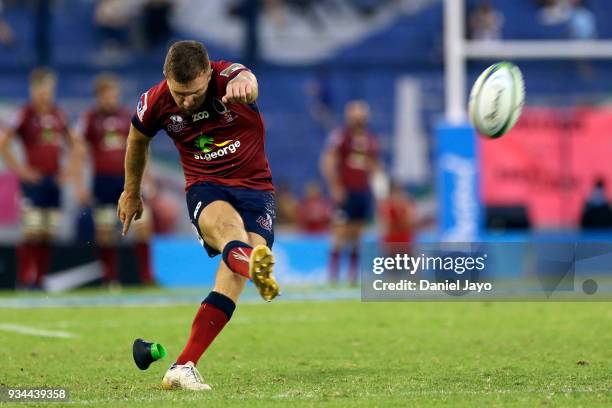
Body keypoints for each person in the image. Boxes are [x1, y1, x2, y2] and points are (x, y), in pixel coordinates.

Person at [117, 40, 280, 390]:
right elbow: (136, 140)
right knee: (228, 231)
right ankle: (252, 263)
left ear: (208, 73)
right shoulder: (154, 101)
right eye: (179, 93)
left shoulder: (229, 77)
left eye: (193, 92)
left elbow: (249, 79)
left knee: (233, 277)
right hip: (206, 185)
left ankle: (181, 366)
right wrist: (132, 191)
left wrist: (245, 85)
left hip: (256, 189)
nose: (186, 102)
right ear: (166, 77)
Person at [0, 68, 85, 288]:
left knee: (47, 232)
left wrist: (70, 171)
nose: (44, 94)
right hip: (33, 183)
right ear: (33, 90)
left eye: (48, 90)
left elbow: (76, 144)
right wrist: (21, 170)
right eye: (40, 89)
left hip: (52, 181)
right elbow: (4, 143)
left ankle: (40, 279)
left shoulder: (58, 114)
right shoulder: (26, 114)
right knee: (32, 230)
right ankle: (24, 278)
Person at [76, 73, 154, 286]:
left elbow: (141, 148)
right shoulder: (90, 118)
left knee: (143, 227)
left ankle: (147, 278)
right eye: (106, 95)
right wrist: (79, 184)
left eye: (113, 94)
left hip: (129, 180)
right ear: (98, 96)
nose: (110, 98)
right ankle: (110, 280)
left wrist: (149, 178)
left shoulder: (128, 116)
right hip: (102, 182)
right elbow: (79, 151)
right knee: (105, 232)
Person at [320, 100, 381, 285]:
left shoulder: (371, 140)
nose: (358, 118)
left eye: (361, 115)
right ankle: (333, 275)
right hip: (345, 192)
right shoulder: (341, 137)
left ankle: (353, 276)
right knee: (339, 233)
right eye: (355, 115)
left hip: (362, 192)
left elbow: (374, 167)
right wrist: (335, 186)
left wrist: (379, 191)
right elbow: (328, 161)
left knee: (357, 234)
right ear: (349, 117)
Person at [378, 181, 415, 253]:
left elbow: (410, 224)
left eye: (399, 192)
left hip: (405, 243)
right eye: (396, 192)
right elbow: (385, 228)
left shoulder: (406, 205)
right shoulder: (386, 206)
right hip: (392, 245)